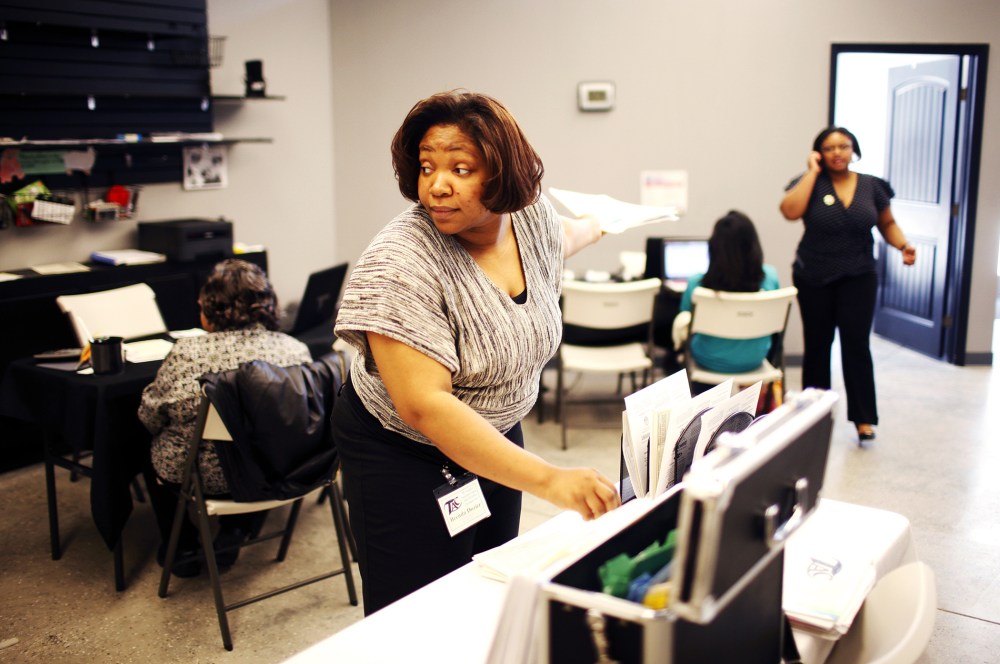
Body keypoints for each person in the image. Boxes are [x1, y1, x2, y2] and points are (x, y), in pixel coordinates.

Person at [332, 90, 621, 614]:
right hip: (403, 450)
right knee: (417, 613)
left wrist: (602, 222)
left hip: (491, 430)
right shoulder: (399, 264)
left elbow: (561, 238)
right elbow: (425, 406)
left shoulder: (527, 218)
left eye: (461, 168)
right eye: (426, 167)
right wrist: (551, 478)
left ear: (501, 175)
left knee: (493, 578)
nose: (436, 185)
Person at [138, 259, 312, 576]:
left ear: (208, 309)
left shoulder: (186, 354)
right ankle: (235, 530)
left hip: (205, 478)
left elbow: (150, 416)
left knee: (150, 442)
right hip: (276, 472)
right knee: (250, 443)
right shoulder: (295, 351)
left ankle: (183, 546)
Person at [779, 126, 916, 443]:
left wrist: (902, 245)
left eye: (844, 146)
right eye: (829, 148)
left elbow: (887, 223)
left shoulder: (872, 186)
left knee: (856, 345)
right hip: (813, 275)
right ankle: (813, 416)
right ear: (818, 153)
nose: (837, 152)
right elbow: (789, 211)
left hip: (858, 274)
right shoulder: (809, 182)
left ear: (854, 150)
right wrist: (812, 172)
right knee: (818, 345)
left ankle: (864, 419)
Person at [674, 210, 781, 375]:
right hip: (755, 359)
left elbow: (685, 321)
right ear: (753, 245)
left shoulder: (697, 285)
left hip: (708, 360)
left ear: (713, 247)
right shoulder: (771, 278)